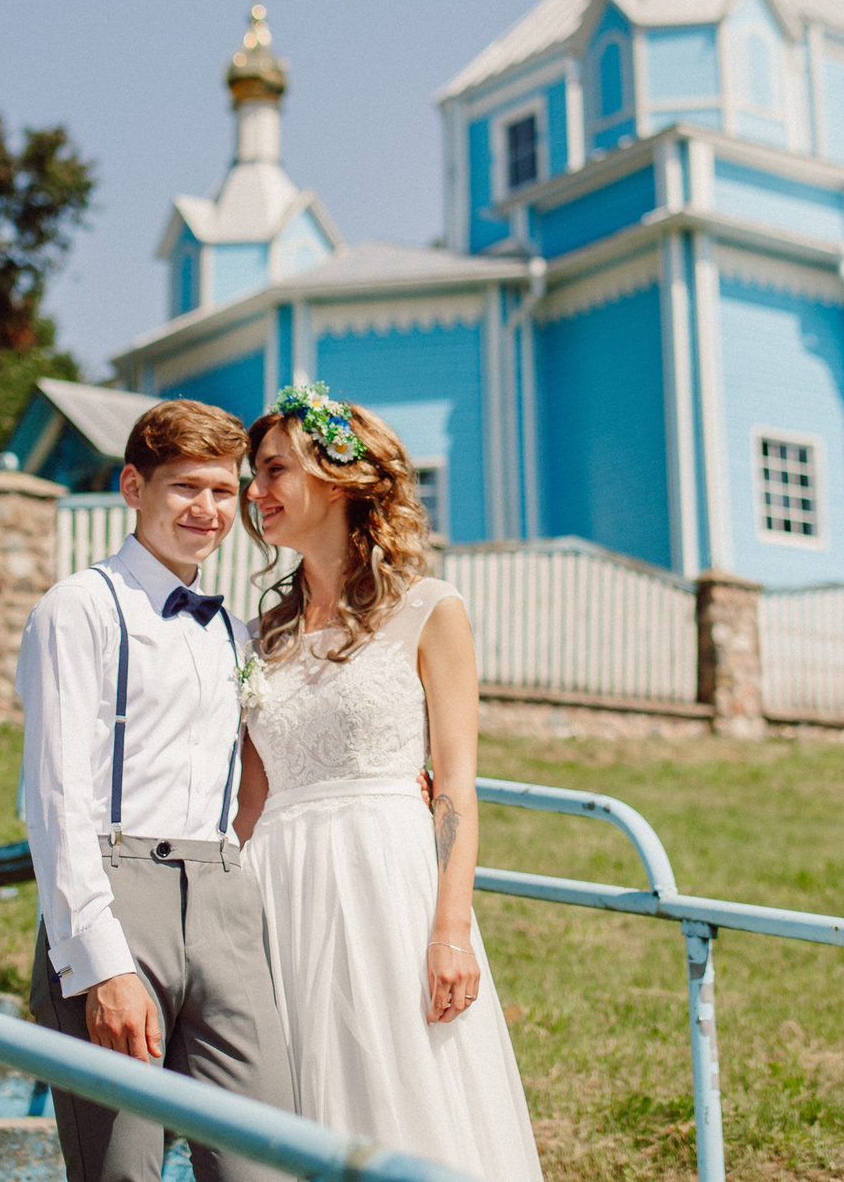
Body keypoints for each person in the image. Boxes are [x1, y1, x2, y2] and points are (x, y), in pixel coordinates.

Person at [233, 382, 546, 1182]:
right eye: (253, 474)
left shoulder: (430, 610)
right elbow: (251, 800)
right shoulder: (256, 633)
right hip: (280, 887)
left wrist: (450, 929)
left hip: (386, 883)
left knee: (403, 1089)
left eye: (273, 471)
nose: (253, 491)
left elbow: (455, 790)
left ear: (335, 476)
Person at [18, 398, 296, 1182]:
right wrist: (101, 964)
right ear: (133, 487)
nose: (208, 510)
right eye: (186, 488)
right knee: (122, 1172)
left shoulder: (234, 630)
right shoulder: (76, 609)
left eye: (222, 490)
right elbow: (56, 800)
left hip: (223, 901)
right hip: (113, 897)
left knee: (264, 1161)